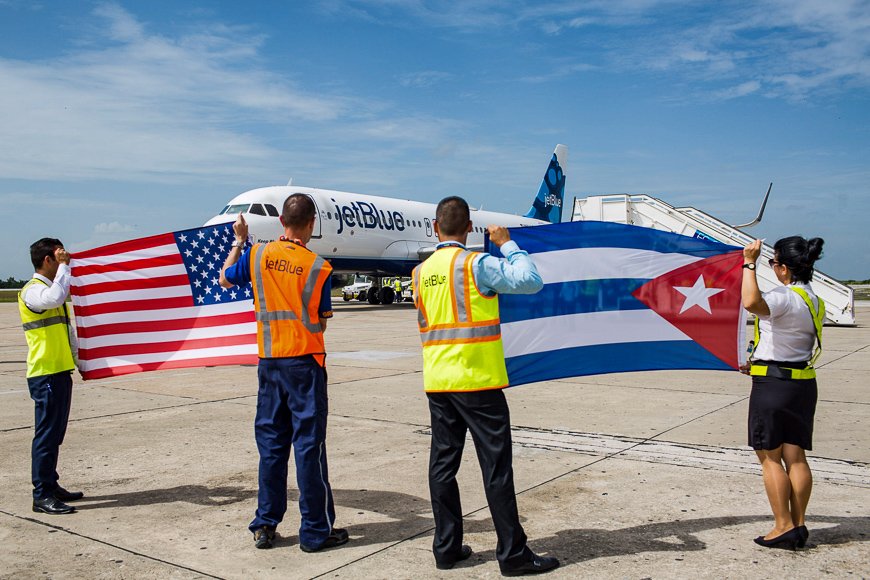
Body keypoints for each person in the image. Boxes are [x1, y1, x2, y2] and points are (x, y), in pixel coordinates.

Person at [412, 196, 560, 576]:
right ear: (469, 230)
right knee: (496, 469)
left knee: (442, 466)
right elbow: (530, 280)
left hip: (438, 380)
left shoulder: (420, 272)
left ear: (434, 228)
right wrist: (508, 243)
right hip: (477, 381)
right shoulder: (475, 264)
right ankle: (512, 554)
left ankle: (445, 548)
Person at [220, 194, 348, 552]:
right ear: (311, 224)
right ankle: (314, 532)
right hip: (305, 365)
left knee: (272, 447)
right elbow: (320, 324)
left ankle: (265, 524)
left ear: (281, 221)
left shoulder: (257, 255)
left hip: (269, 363)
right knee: (309, 447)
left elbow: (225, 280)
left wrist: (240, 242)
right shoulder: (319, 267)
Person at [741, 236, 825, 551]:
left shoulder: (784, 297)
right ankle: (799, 523)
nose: (772, 268)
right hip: (802, 383)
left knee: (769, 457)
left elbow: (751, 303)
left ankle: (782, 525)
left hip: (773, 386)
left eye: (773, 263)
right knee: (796, 456)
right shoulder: (813, 299)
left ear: (785, 269)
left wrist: (749, 263)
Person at [19, 238, 83, 515]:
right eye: (59, 256)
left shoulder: (49, 289)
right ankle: (41, 494)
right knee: (45, 435)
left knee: (55, 434)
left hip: (58, 371)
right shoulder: (33, 291)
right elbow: (55, 297)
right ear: (48, 260)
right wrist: (66, 268)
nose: (64, 260)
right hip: (44, 373)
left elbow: (64, 333)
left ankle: (51, 484)